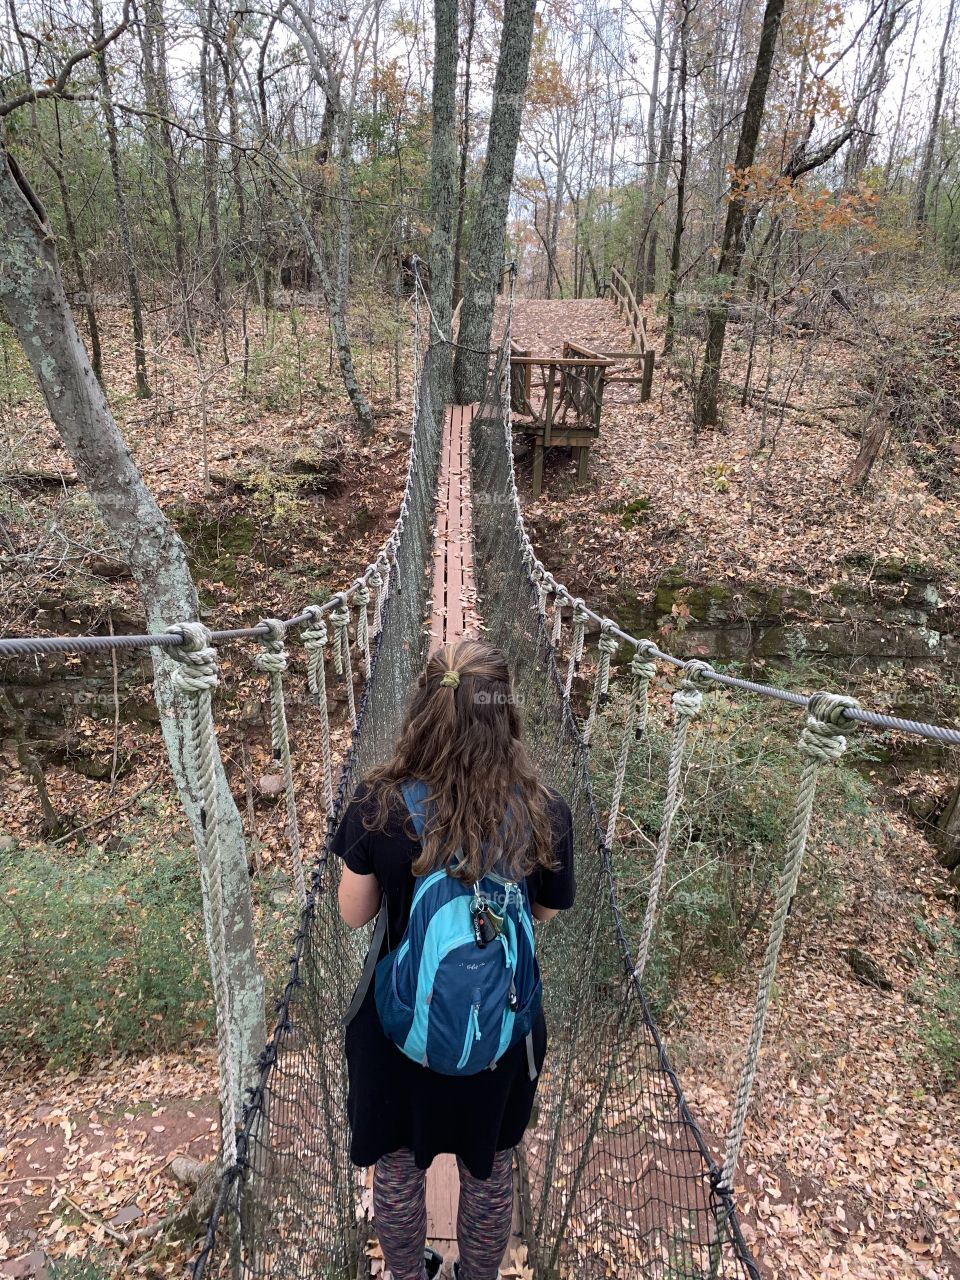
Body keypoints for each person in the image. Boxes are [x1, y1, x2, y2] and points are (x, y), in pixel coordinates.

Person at [332, 638, 576, 1280]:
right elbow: (546, 914)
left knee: (395, 1164)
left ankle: (409, 1275)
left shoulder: (377, 805)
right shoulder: (546, 812)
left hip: (396, 1031)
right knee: (491, 1165)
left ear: (420, 712)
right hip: (500, 1033)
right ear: (507, 720)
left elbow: (354, 914)